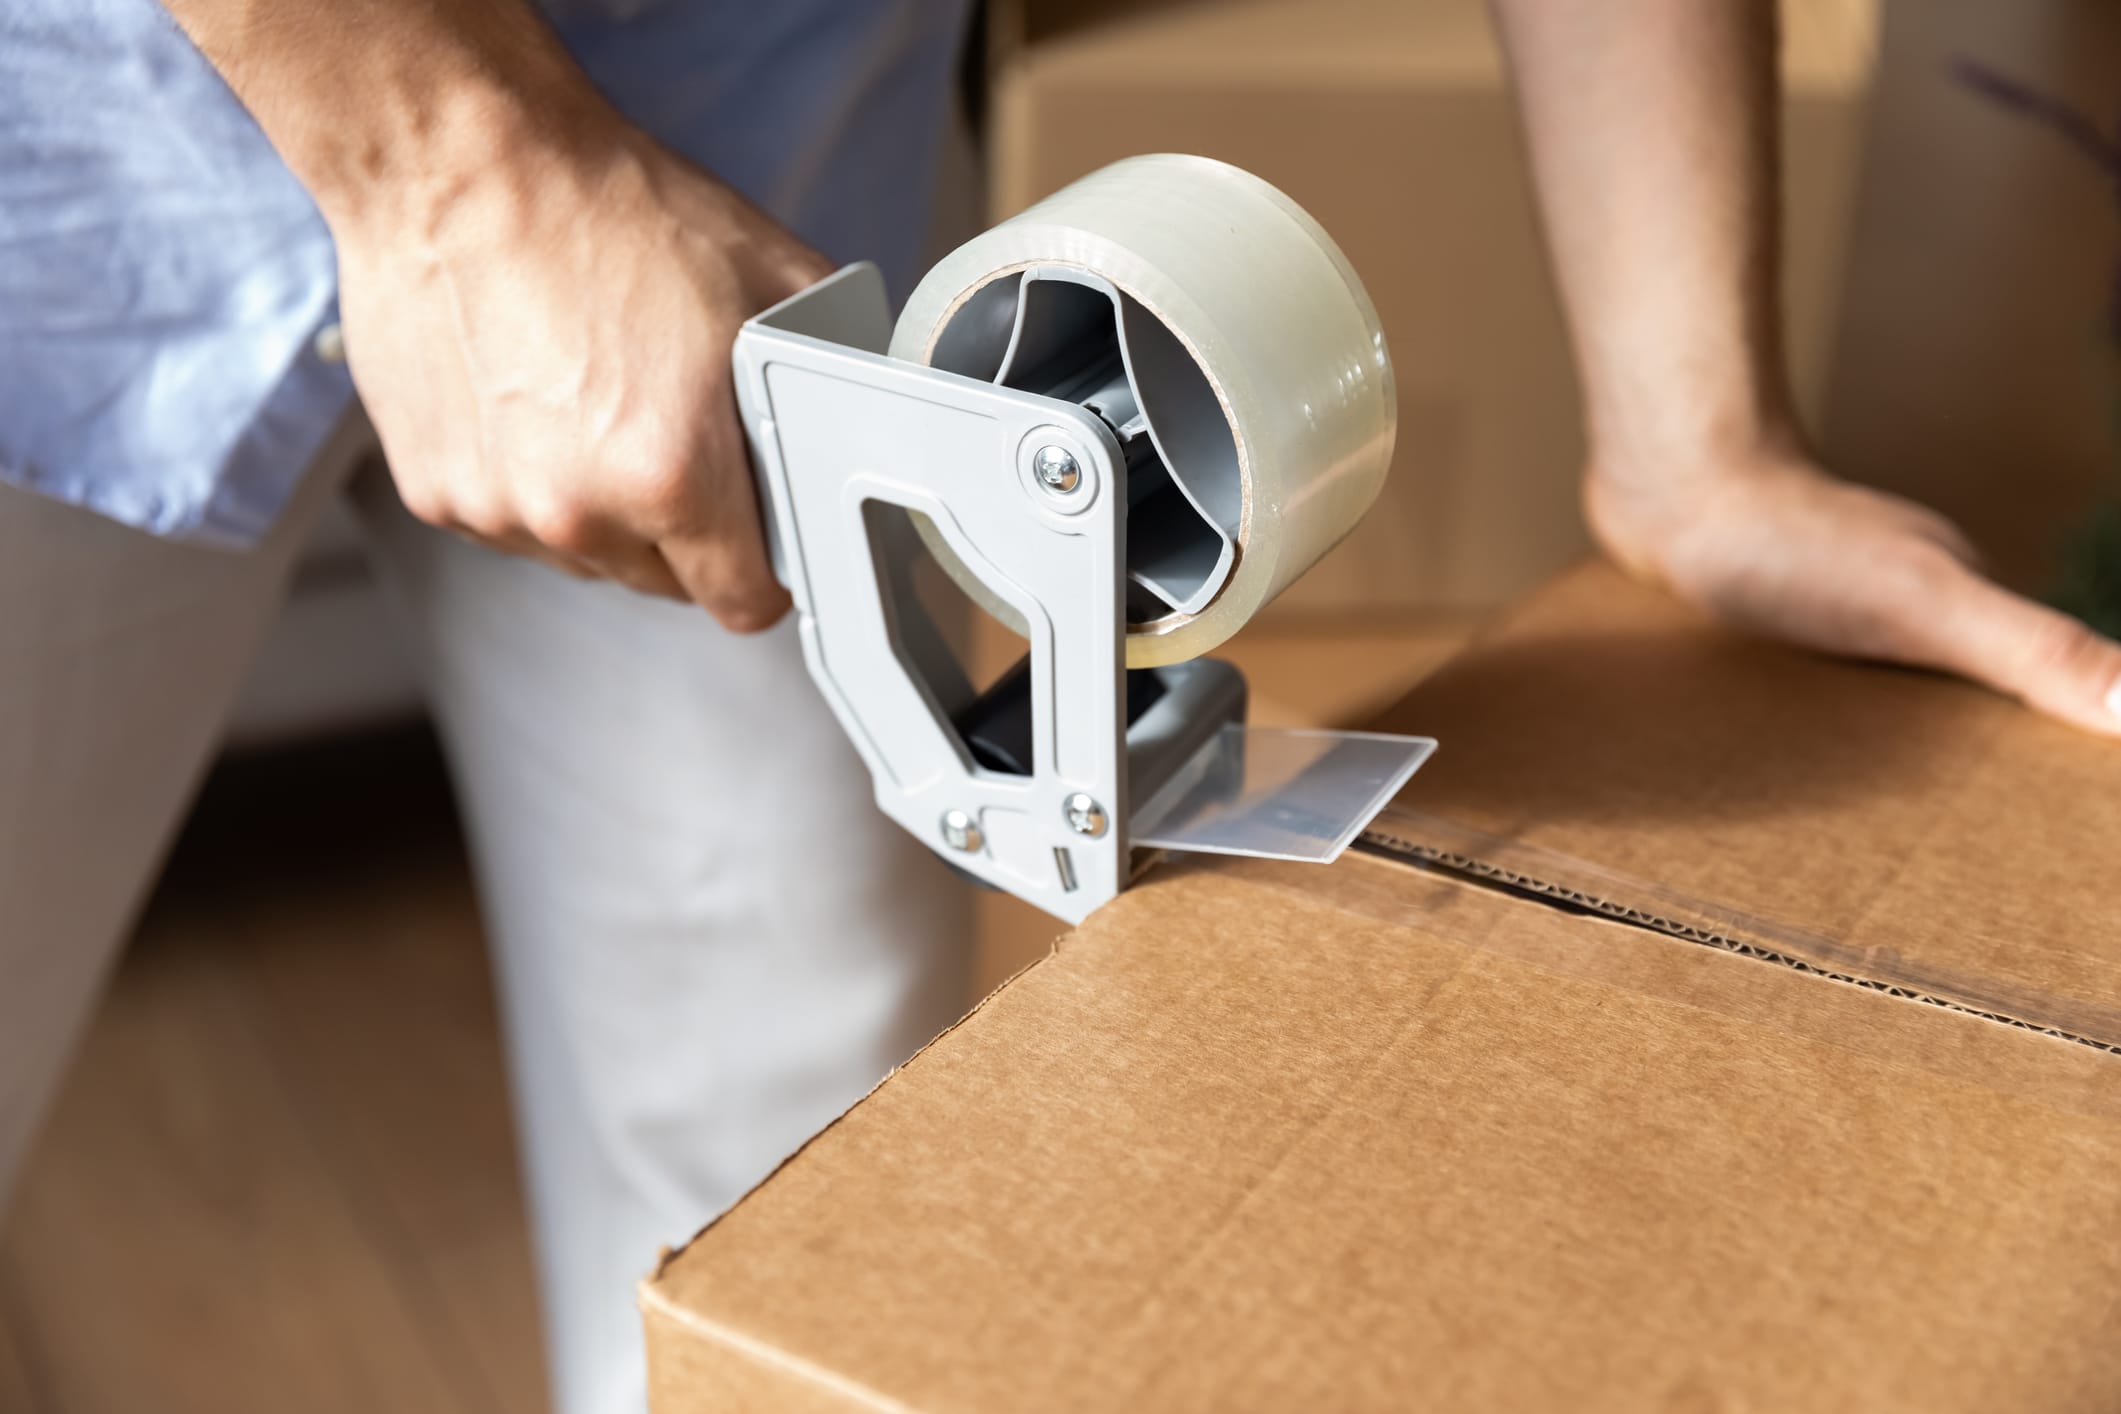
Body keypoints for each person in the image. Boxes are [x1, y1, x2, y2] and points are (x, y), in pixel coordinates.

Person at [1, 2, 2114, 1413]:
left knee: (798, 1194)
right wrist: (450, 165)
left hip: (752, 135)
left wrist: (1693, 428)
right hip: (84, 146)